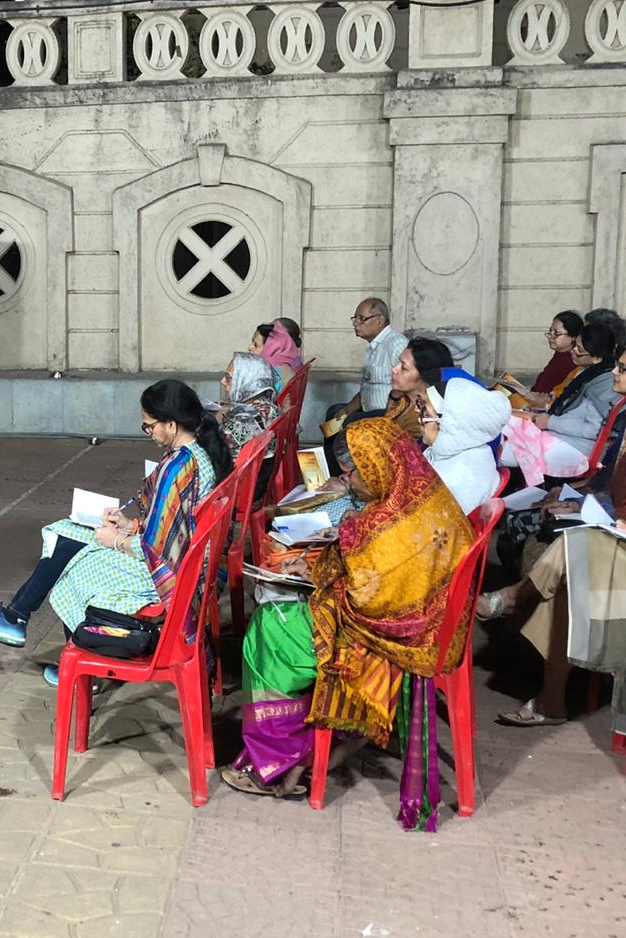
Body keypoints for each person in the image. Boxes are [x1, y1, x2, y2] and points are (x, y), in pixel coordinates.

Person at [222, 418, 473, 830]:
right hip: (430, 628)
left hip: (392, 640)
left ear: (378, 468)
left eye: (355, 469)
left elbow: (363, 601)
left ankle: (278, 756)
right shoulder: (428, 499)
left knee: (270, 627)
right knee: (284, 608)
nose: (347, 477)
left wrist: (316, 580)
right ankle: (299, 749)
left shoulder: (377, 526)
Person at [0, 379, 233, 685]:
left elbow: (159, 548)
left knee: (74, 566)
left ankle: (88, 663)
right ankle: (17, 618)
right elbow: (176, 527)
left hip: (171, 575)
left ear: (171, 423)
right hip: (189, 564)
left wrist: (116, 540)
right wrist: (130, 525)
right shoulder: (196, 455)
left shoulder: (179, 467)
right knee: (67, 532)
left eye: (149, 426)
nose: (148, 433)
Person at [477, 349, 626, 727]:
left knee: (576, 546)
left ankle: (513, 598)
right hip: (614, 532)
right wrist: (579, 498)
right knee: (562, 591)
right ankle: (550, 702)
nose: (614, 375)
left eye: (623, 369)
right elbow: (609, 481)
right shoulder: (623, 416)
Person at [500, 322, 618, 481]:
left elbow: (595, 429)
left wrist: (550, 422)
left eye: (580, 349)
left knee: (499, 451)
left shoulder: (605, 385)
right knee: (500, 429)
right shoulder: (588, 374)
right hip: (559, 435)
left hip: (577, 448)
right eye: (575, 345)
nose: (573, 351)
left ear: (597, 357)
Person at [421, 377, 511, 514]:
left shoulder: (460, 476)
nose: (418, 415)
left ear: (448, 424)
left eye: (424, 411)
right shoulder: (453, 453)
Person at [334, 298, 409, 418]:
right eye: (355, 318)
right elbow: (366, 388)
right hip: (368, 408)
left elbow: (409, 381)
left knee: (347, 425)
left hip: (387, 413)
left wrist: (391, 408)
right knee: (334, 413)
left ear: (379, 320)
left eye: (362, 319)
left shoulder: (397, 344)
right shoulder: (373, 347)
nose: (355, 323)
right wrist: (347, 409)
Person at [385, 337, 456, 440]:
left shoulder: (431, 417)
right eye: (398, 362)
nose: (394, 369)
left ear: (424, 376)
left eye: (404, 368)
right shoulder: (402, 399)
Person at [217, 351, 282, 457]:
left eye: (228, 378)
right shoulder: (270, 406)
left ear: (247, 382)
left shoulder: (241, 421)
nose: (223, 381)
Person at [519, 310, 583, 408]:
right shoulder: (560, 355)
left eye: (557, 333)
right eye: (550, 332)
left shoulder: (571, 361)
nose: (551, 337)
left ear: (573, 337)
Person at [249, 322, 301, 393]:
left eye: (256, 345)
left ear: (271, 348)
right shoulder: (285, 367)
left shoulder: (268, 375)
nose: (249, 347)